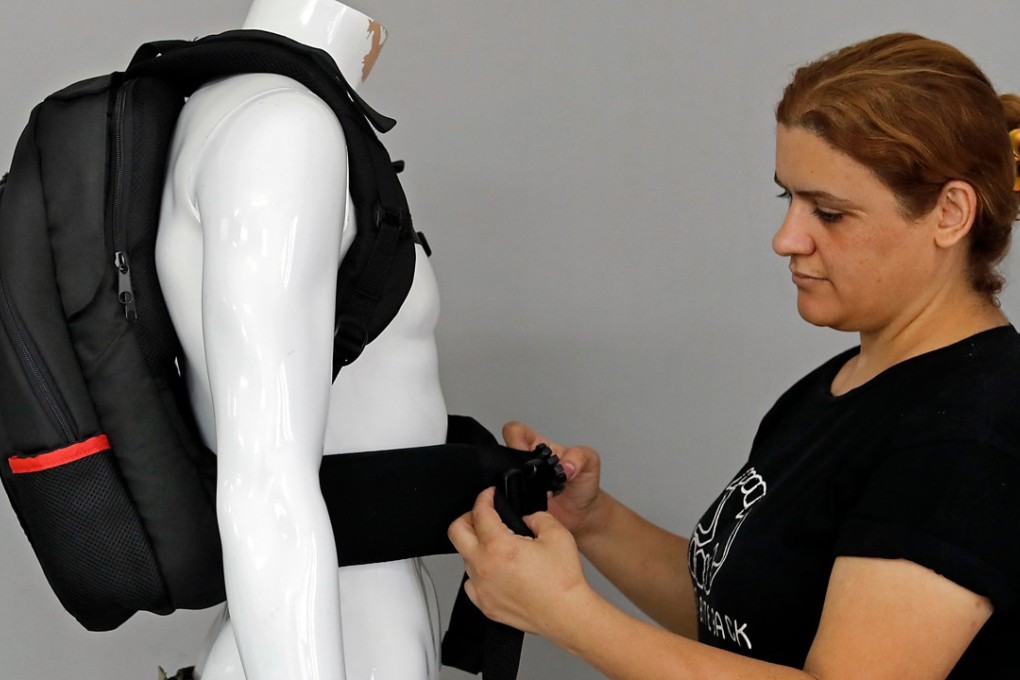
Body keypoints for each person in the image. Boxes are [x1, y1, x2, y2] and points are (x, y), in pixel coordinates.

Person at [449, 33, 1020, 678]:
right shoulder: (846, 385)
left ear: (950, 213)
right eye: (788, 198)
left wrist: (568, 617)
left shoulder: (970, 434)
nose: (787, 238)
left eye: (830, 213)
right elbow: (743, 623)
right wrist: (595, 522)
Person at [156, 1, 445, 678]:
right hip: (330, 640)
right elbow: (265, 484)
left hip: (350, 624)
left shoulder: (245, 107)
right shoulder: (282, 130)